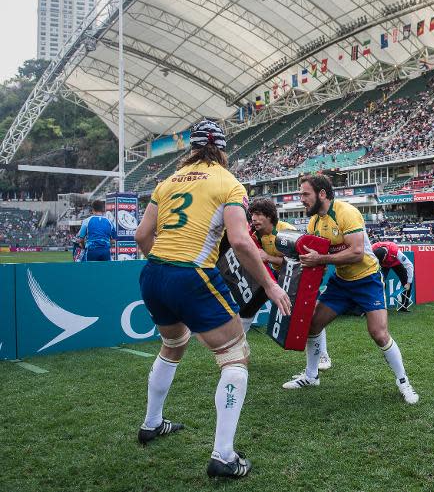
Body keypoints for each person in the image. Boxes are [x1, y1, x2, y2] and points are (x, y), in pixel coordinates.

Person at [134, 119, 291, 479]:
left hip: (155, 272)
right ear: (222, 149)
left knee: (173, 345)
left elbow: (143, 235)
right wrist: (270, 285)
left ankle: (151, 423)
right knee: (235, 357)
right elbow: (239, 240)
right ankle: (223, 456)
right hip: (192, 273)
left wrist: (165, 270)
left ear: (190, 149)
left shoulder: (166, 182)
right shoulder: (228, 182)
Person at [281, 174, 419, 404]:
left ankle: (404, 383)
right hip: (342, 283)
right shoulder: (315, 221)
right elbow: (315, 257)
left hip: (367, 280)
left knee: (379, 333)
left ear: (321, 194)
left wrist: (321, 259)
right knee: (313, 324)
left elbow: (356, 253)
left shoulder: (346, 212)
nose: (301, 199)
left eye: (305, 194)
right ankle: (311, 376)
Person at [248, 197, 331, 370]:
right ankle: (239, 348)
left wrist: (268, 257)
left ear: (270, 216)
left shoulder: (286, 231)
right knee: (249, 306)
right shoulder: (254, 234)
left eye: (258, 214)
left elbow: (299, 261)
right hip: (277, 277)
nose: (253, 218)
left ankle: (323, 355)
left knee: (312, 316)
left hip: (300, 277)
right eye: (251, 214)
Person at [372, 240, 414, 312]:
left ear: (385, 255)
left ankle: (404, 306)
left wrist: (409, 283)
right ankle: (379, 306)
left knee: (406, 281)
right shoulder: (373, 248)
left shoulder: (395, 250)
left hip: (396, 263)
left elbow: (409, 265)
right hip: (383, 266)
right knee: (380, 283)